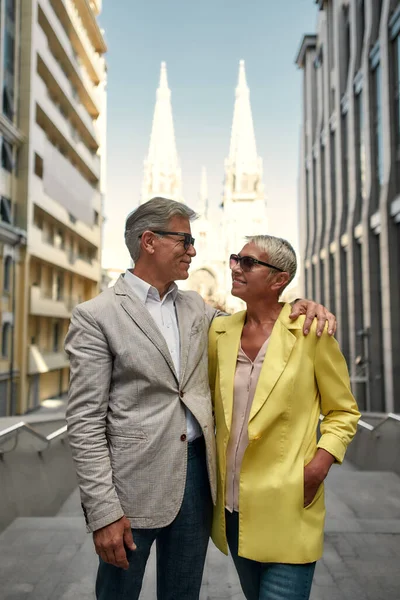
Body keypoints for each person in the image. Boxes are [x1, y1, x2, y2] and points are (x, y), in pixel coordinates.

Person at [65, 198, 337, 600]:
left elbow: (258, 325)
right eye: (185, 240)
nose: (194, 250)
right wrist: (103, 512)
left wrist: (297, 304)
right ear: (149, 241)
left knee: (183, 593)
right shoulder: (96, 315)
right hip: (129, 488)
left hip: (197, 483)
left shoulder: (197, 308)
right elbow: (84, 425)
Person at [208, 234, 360, 600]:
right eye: (234, 259)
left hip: (290, 506)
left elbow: (343, 411)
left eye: (247, 262)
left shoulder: (310, 333)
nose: (234, 267)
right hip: (234, 512)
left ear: (279, 279)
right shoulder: (218, 332)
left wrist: (318, 466)